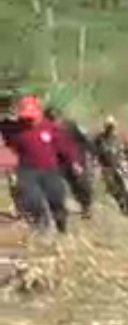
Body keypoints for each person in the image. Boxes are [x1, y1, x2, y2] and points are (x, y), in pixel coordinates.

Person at [1, 96, 79, 233]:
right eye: (26, 117)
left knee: (56, 200)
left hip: (50, 170)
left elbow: (65, 147)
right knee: (32, 200)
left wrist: (74, 162)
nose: (29, 120)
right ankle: (41, 230)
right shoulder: (14, 129)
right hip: (27, 171)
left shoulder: (50, 128)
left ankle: (62, 230)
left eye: (31, 116)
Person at [44, 106, 94, 219]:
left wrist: (91, 151)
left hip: (73, 159)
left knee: (80, 182)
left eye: (55, 117)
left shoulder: (71, 125)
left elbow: (84, 139)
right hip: (56, 161)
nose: (54, 120)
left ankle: (86, 207)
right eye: (50, 118)